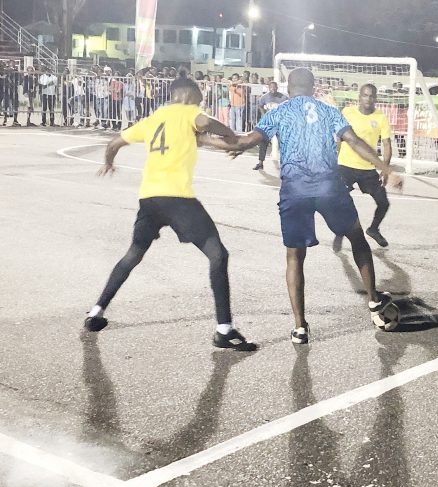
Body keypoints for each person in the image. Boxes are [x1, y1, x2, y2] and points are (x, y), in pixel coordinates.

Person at [201, 68, 402, 345]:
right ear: (313, 86)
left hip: (295, 190)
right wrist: (385, 168)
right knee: (357, 238)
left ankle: (300, 328)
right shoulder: (328, 110)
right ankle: (374, 303)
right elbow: (354, 141)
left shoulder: (278, 112)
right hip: (329, 187)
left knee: (295, 257)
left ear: (288, 87)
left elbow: (245, 141)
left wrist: (204, 139)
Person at [84, 75, 256, 352]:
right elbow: (208, 125)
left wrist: (109, 163)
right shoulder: (190, 113)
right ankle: (224, 328)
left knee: (133, 254)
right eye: (200, 98)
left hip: (149, 199)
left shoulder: (154, 119)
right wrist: (232, 136)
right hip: (178, 199)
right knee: (218, 255)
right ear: (188, 95)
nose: (202, 103)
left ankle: (96, 311)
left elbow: (115, 142)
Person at [335, 83, 393, 249]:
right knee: (339, 201)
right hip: (345, 166)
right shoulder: (347, 112)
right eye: (365, 95)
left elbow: (387, 144)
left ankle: (373, 229)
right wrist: (334, 159)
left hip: (368, 170)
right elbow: (339, 138)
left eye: (371, 96)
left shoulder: (380, 117)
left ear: (375, 98)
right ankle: (340, 232)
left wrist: (385, 169)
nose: (368, 98)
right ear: (359, 97)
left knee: (384, 202)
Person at [254, 81, 288, 170]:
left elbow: (289, 107)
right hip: (269, 124)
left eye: (274, 87)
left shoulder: (283, 98)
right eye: (271, 87)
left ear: (277, 88)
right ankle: (260, 163)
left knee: (283, 143)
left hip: (279, 123)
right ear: (268, 88)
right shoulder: (265, 97)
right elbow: (260, 105)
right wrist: (264, 114)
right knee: (263, 142)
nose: (273, 89)